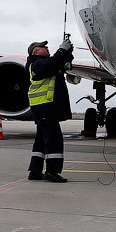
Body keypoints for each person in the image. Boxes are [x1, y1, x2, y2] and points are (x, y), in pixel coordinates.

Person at [26, 38, 75, 182]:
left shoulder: (42, 65)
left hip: (43, 108)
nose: (47, 48)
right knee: (54, 139)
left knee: (41, 140)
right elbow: (52, 63)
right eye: (43, 47)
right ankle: (52, 171)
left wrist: (68, 54)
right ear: (36, 51)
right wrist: (62, 51)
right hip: (45, 107)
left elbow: (55, 64)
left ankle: (35, 171)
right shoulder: (36, 64)